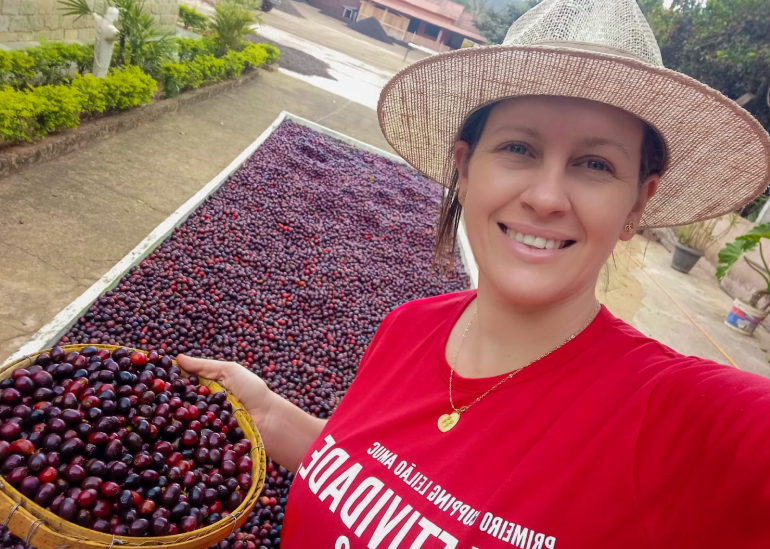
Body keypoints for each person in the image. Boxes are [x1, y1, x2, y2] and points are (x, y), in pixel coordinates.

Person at [178, 0, 770, 547]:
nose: (546, 197)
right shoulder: (407, 327)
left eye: (595, 163)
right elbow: (373, 485)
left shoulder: (676, 417)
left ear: (638, 204)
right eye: (519, 149)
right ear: (464, 169)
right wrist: (268, 415)